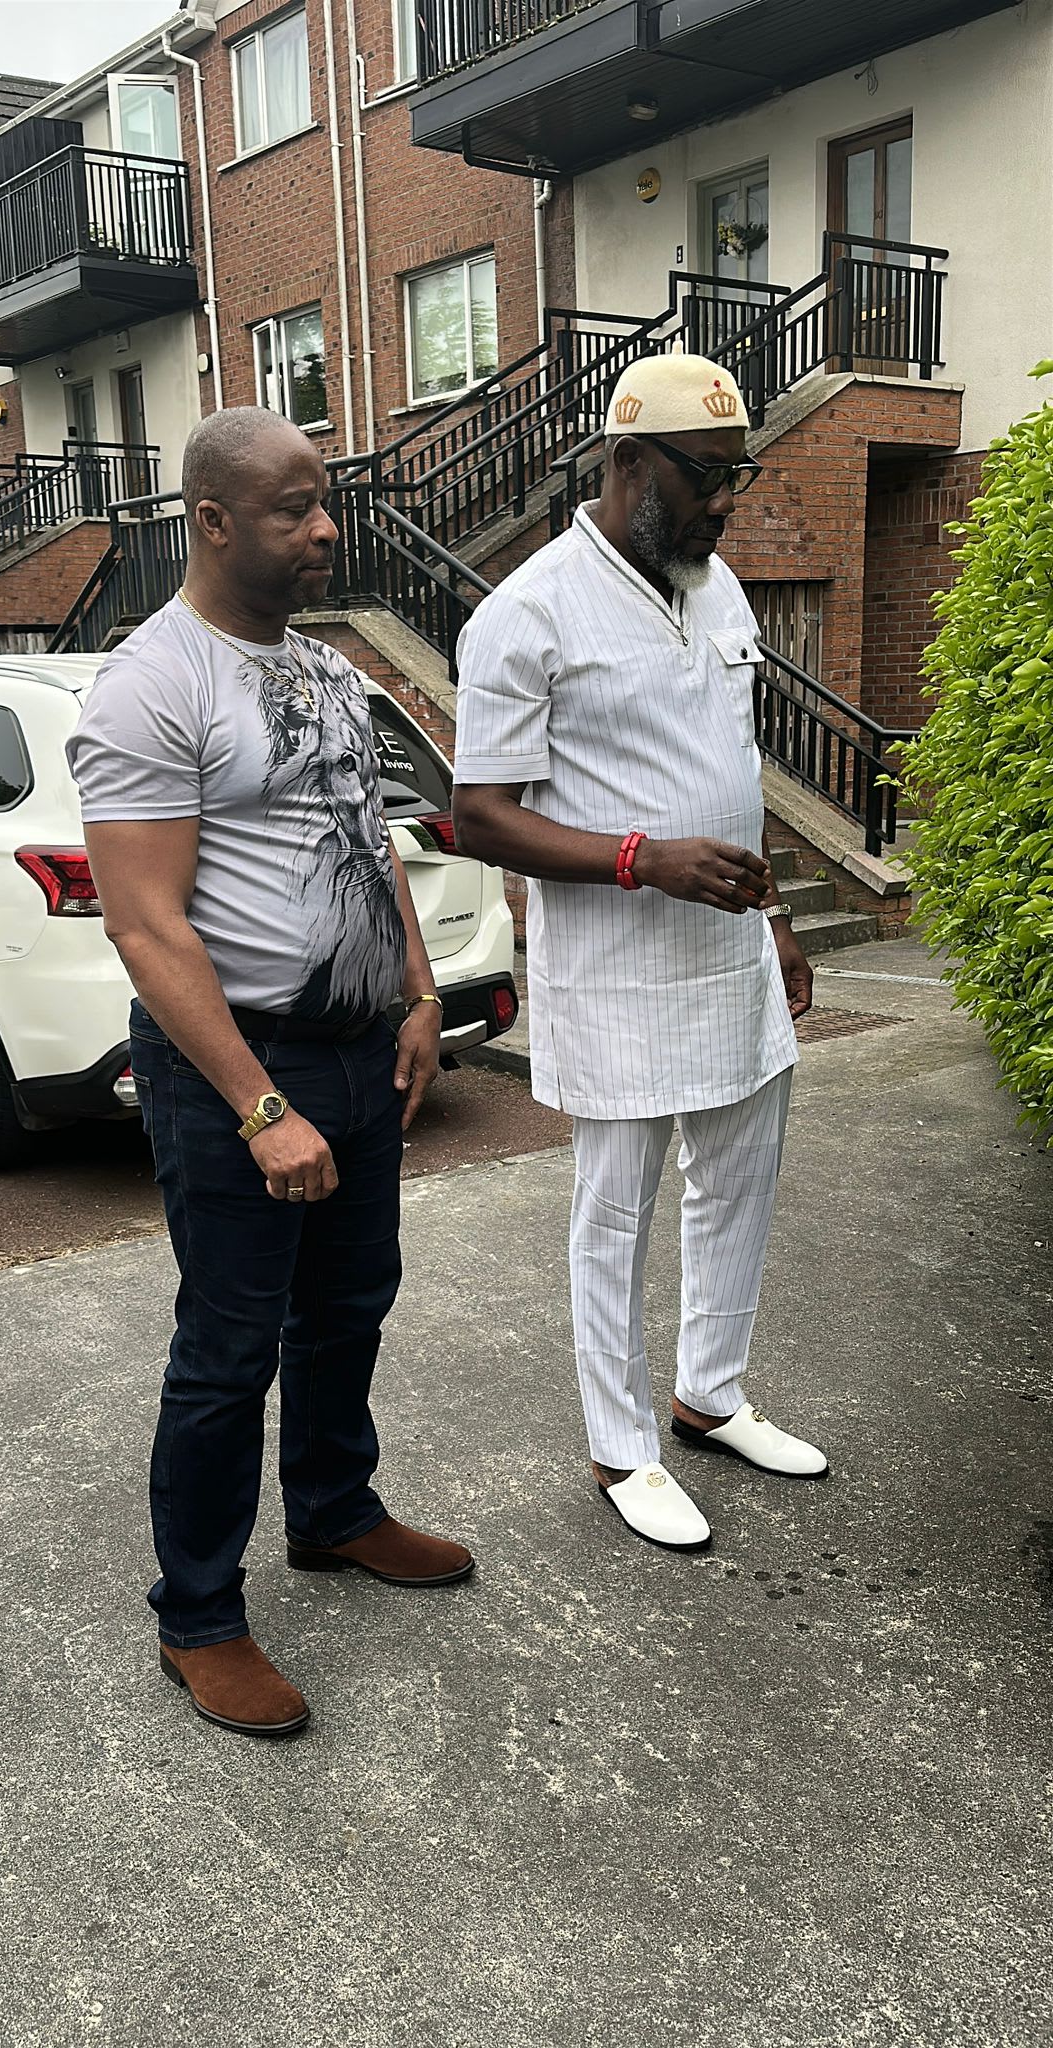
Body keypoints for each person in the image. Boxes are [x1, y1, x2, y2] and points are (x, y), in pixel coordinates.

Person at [67, 408, 472, 1741]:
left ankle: (335, 1511)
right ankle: (197, 1617)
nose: (326, 528)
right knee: (229, 1349)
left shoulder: (331, 670)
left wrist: (419, 993)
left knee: (351, 1304)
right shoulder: (150, 683)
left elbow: (373, 840)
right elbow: (146, 927)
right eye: (295, 507)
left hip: (360, 1050)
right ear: (213, 520)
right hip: (238, 1069)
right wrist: (259, 1106)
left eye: (325, 501)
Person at [451, 347, 827, 1554]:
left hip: (731, 954)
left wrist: (777, 918)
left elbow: (736, 769)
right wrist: (640, 858)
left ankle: (710, 1392)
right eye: (707, 475)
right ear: (627, 462)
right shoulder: (526, 614)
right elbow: (479, 814)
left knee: (741, 1179)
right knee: (616, 1209)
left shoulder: (718, 591)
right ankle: (622, 1445)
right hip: (618, 970)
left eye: (737, 474)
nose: (727, 501)